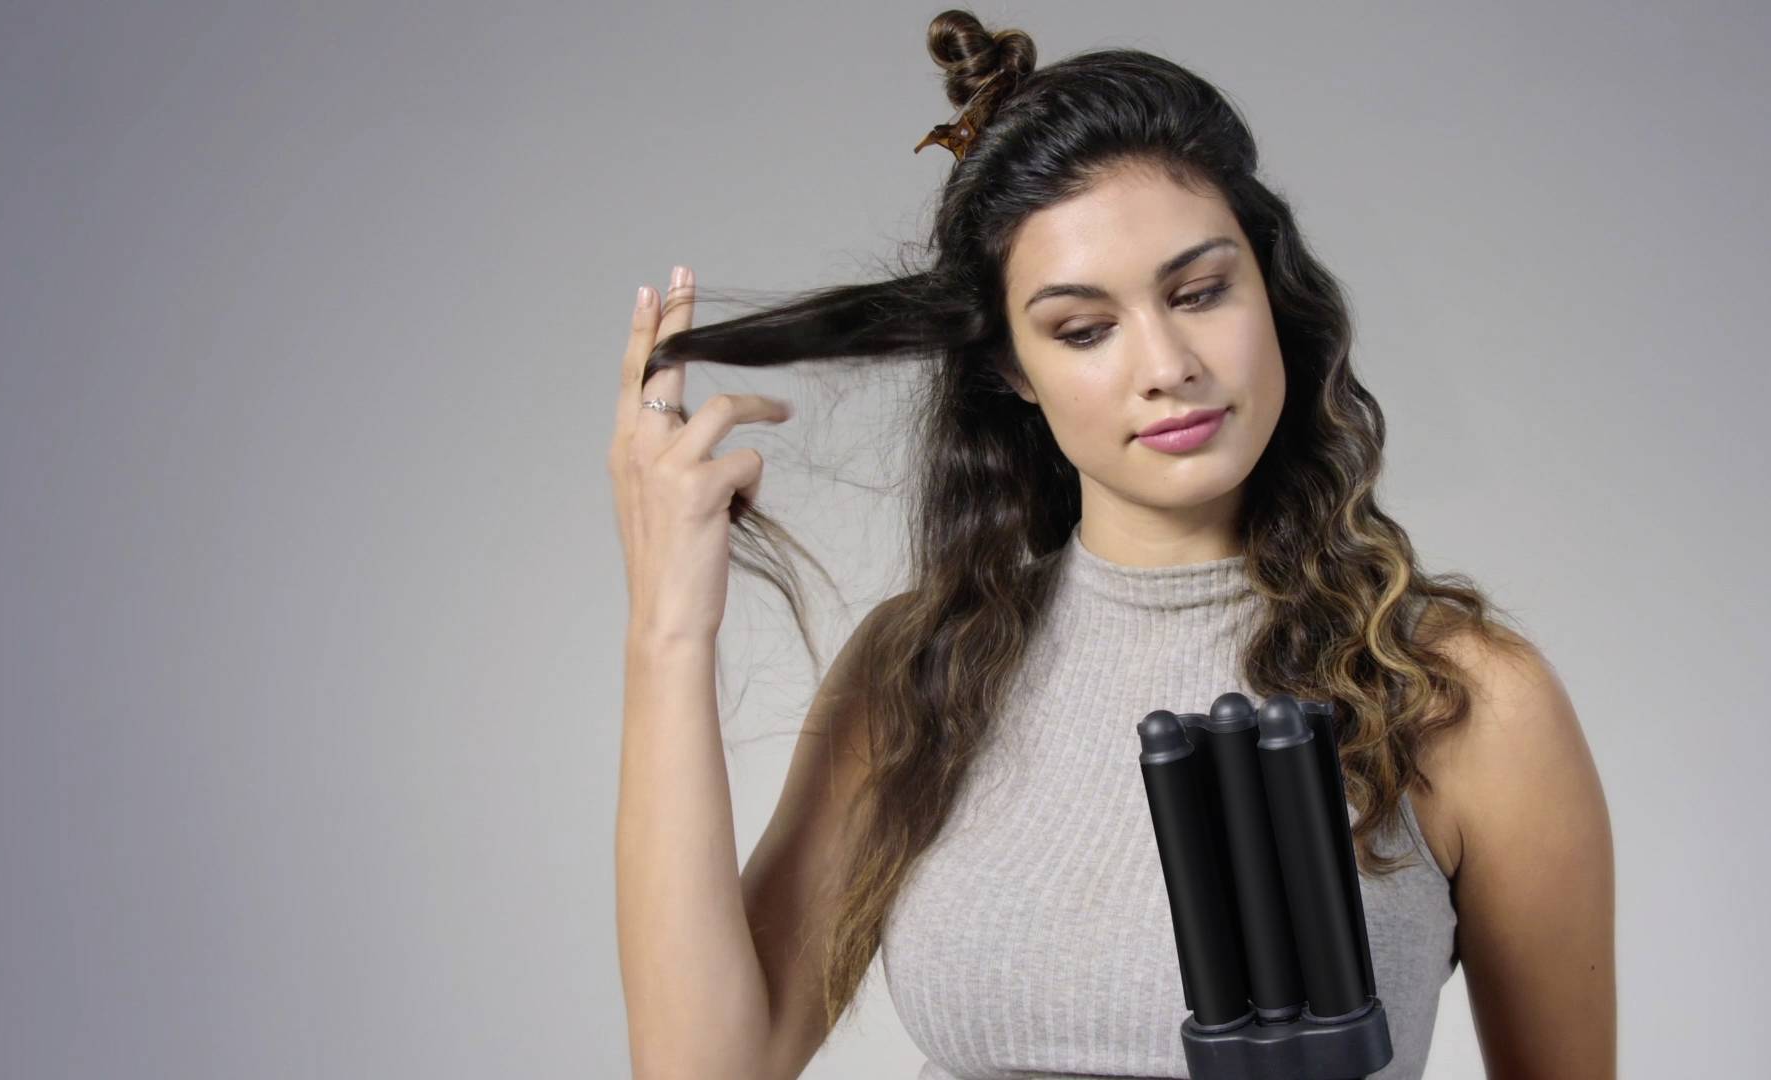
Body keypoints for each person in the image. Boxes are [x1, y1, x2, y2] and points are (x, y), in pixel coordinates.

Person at [609, 10, 1615, 1080]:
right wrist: (667, 631)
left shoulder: (1461, 700)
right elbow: (706, 1071)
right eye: (1084, 330)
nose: (1167, 365)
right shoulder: (924, 672)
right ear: (1012, 367)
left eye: (1201, 292)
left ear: (1271, 288)